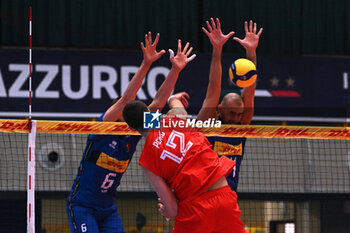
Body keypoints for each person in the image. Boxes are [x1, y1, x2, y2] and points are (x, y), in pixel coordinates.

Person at [67, 32, 196, 233]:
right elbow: (127, 98)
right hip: (83, 206)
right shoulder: (104, 126)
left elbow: (158, 103)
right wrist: (146, 64)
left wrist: (175, 70)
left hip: (107, 208)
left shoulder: (135, 129)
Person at [168, 19, 263, 192]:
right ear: (220, 109)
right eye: (232, 113)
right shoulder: (208, 123)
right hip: (202, 193)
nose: (236, 118)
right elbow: (213, 88)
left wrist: (251, 52)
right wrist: (217, 49)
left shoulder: (241, 126)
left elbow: (250, 88)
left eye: (239, 114)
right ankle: (172, 100)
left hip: (229, 196)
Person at [122, 100, 245, 233]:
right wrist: (174, 98)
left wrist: (167, 210)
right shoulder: (175, 119)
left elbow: (173, 210)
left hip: (196, 210)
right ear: (148, 112)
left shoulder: (146, 162)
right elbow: (178, 106)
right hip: (224, 196)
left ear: (132, 129)